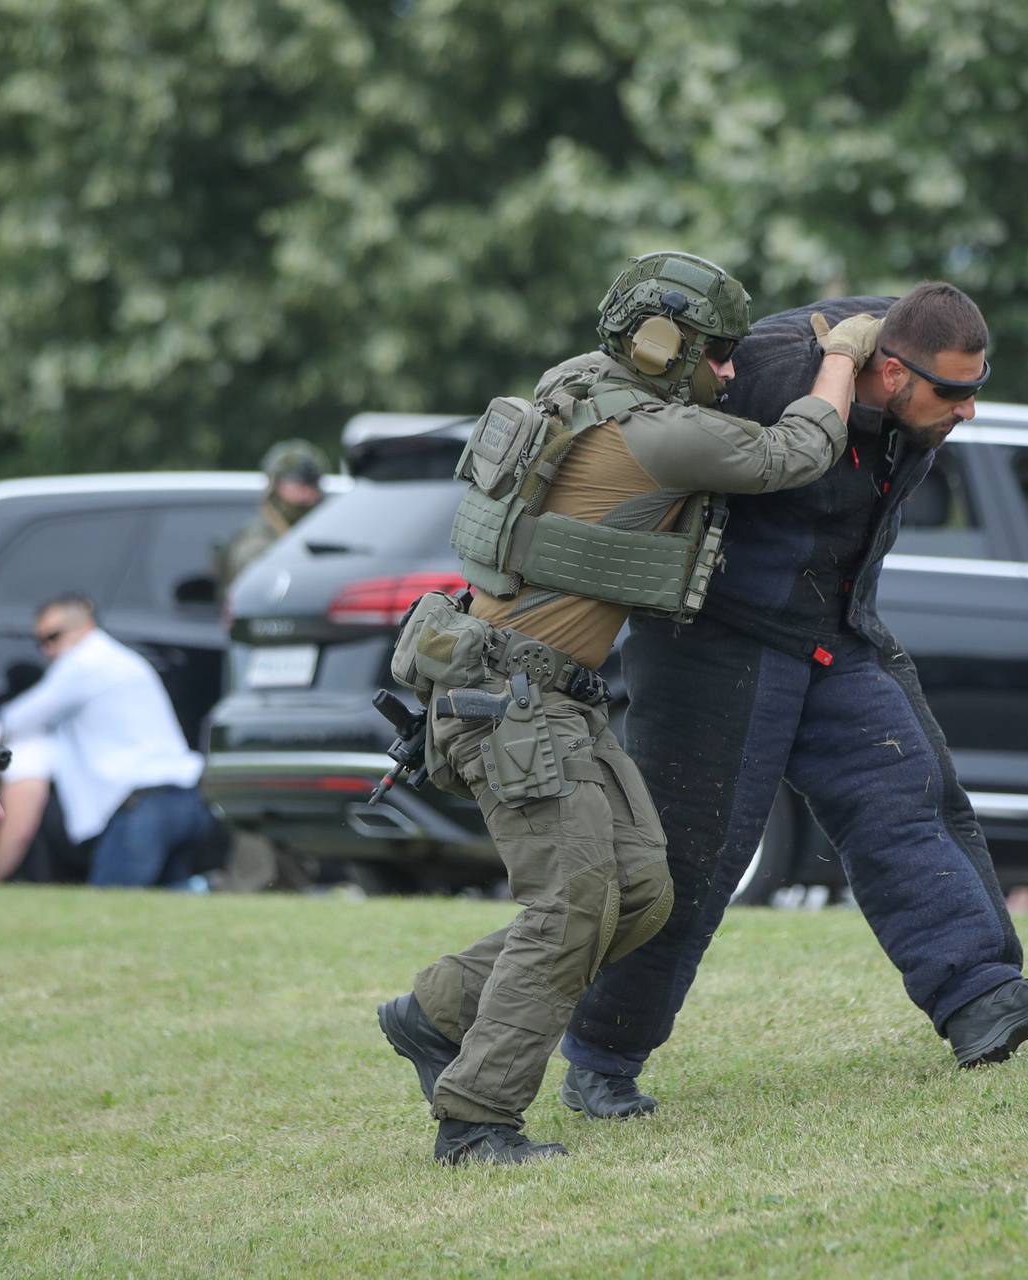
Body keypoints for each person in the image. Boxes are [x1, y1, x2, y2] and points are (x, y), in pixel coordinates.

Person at [378, 250, 872, 1165]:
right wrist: (840, 357)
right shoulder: (661, 433)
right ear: (657, 344)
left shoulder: (578, 382)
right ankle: (477, 1119)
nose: (728, 372)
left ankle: (438, 1013)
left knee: (640, 892)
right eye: (715, 353)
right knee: (568, 905)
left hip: (549, 697)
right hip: (513, 699)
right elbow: (799, 452)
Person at [557, 285, 1028, 1120]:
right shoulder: (767, 368)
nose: (970, 411)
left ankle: (981, 998)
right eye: (954, 394)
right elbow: (637, 443)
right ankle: (599, 1056)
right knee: (692, 863)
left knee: (913, 795)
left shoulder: (913, 357)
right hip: (716, 640)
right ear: (888, 372)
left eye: (975, 386)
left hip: (833, 629)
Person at [0, 595, 216, 887]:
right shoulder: (123, 660)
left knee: (109, 911)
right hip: (189, 800)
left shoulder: (84, 662)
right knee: (169, 912)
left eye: (53, 637)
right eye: (40, 641)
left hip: (143, 810)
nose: (47, 649)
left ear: (86, 626)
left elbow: (16, 720)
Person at [215, 438, 329, 587]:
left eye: (311, 484)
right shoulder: (257, 538)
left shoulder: (324, 531)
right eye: (298, 483)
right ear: (276, 486)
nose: (306, 493)